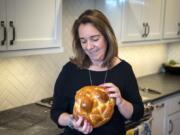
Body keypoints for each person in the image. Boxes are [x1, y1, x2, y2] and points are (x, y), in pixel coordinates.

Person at [50, 9, 144, 135]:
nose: (88, 47)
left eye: (94, 39)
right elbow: (56, 112)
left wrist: (121, 102)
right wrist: (72, 121)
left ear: (107, 37)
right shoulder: (70, 70)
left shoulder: (124, 70)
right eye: (83, 41)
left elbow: (137, 113)